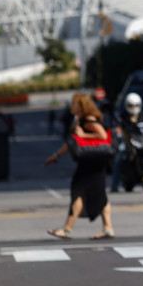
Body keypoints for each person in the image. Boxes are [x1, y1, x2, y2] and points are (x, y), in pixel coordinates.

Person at [45, 92, 115, 240]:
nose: (71, 105)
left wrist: (84, 135)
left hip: (92, 163)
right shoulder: (80, 120)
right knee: (100, 194)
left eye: (74, 103)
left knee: (78, 192)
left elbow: (102, 135)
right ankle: (108, 228)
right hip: (92, 162)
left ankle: (67, 229)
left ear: (81, 106)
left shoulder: (88, 120)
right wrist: (56, 156)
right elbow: (71, 141)